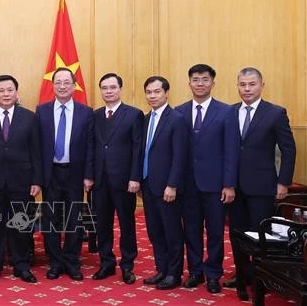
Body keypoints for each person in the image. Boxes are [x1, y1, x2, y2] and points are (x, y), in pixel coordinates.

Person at [227, 67, 296, 301]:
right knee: (237, 235)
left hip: (263, 186)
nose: (246, 89)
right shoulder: (230, 112)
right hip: (233, 187)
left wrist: (283, 181)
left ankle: (260, 279)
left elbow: (288, 149)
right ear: (237, 86)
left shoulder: (275, 113)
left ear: (261, 85)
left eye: (251, 84)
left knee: (259, 236)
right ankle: (241, 275)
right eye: (242, 85)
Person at [175, 64, 240, 294]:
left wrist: (229, 183)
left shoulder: (226, 112)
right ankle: (195, 271)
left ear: (213, 82)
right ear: (189, 83)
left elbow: (232, 150)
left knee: (214, 231)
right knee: (191, 229)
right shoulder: (179, 112)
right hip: (188, 184)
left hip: (215, 185)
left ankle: (213, 273)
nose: (200, 83)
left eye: (204, 79)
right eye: (195, 79)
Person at [0, 74, 42, 284]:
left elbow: (36, 151)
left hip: (22, 181)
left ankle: (21, 266)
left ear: (16, 92)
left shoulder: (29, 117)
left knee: (20, 225)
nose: (5, 94)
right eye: (1, 90)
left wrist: (37, 180)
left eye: (9, 90)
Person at [36, 67, 93, 281]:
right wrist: (38, 177)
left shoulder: (85, 112)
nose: (61, 86)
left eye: (66, 82)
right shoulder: (41, 111)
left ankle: (71, 261)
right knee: (50, 219)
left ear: (74, 85)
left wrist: (88, 175)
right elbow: (37, 147)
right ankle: (55, 261)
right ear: (53, 86)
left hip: (75, 174)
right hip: (50, 173)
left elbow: (90, 146)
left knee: (73, 219)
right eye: (57, 82)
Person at [91, 73, 143, 285]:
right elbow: (92, 147)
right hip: (100, 180)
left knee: (126, 223)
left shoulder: (134, 114)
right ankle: (106, 262)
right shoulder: (95, 115)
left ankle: (128, 264)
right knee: (102, 224)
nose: (109, 91)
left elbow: (138, 149)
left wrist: (135, 177)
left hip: (124, 180)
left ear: (120, 89)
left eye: (113, 87)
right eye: (104, 88)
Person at [140, 76, 190, 290]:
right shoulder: (145, 118)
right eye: (149, 92)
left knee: (172, 233)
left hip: (167, 187)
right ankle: (161, 269)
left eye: (156, 92)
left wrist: (173, 184)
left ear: (166, 92)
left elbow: (180, 156)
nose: (152, 96)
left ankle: (174, 274)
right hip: (148, 185)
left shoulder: (176, 119)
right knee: (154, 231)